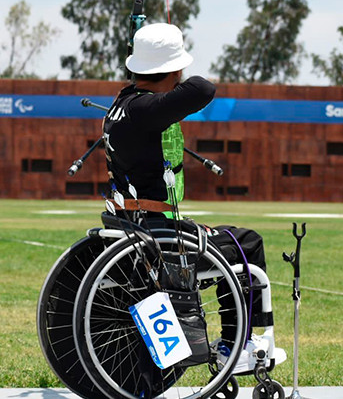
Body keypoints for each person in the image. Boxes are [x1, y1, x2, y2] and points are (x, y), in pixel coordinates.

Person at [102, 22, 277, 374]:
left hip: (133, 227)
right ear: (172, 68)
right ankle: (236, 345)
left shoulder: (121, 105)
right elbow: (203, 88)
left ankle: (234, 343)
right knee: (247, 243)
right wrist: (169, 73)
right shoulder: (146, 110)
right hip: (158, 239)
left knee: (231, 238)